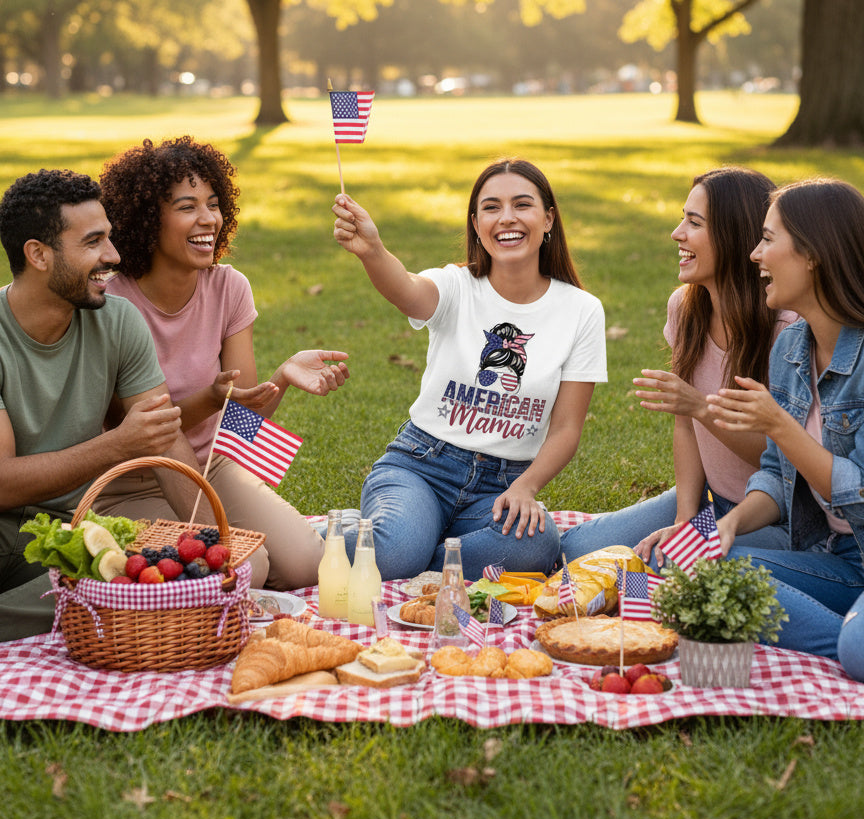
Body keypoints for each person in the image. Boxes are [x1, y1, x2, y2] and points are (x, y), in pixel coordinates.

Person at [331, 157, 607, 581]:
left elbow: (567, 428)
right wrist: (372, 250)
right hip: (422, 465)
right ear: (476, 224)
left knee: (537, 545)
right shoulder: (456, 286)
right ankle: (353, 545)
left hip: (501, 486)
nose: (507, 218)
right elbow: (407, 291)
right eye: (491, 207)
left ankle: (421, 553)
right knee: (395, 550)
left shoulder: (582, 311)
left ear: (548, 218)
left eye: (522, 205)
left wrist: (526, 487)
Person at [99, 136, 350, 591]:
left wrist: (283, 377)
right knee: (247, 568)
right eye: (187, 206)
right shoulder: (112, 302)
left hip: (210, 463)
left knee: (306, 563)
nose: (208, 219)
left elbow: (240, 420)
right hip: (132, 481)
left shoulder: (229, 288)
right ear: (146, 219)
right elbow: (132, 427)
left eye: (214, 204)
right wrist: (209, 399)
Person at [558, 167, 794, 565]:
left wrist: (700, 406)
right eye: (683, 218)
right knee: (575, 551)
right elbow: (686, 425)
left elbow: (786, 461)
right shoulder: (685, 308)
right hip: (709, 502)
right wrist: (686, 519)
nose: (677, 233)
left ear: (734, 236)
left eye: (694, 222)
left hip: (778, 517)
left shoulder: (787, 329)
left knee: (659, 566)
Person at [0, 169, 199, 641]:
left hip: (70, 535)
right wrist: (115, 446)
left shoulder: (118, 320)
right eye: (94, 242)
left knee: (139, 587)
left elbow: (163, 437)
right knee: (118, 603)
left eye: (109, 237)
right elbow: (3, 485)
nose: (113, 256)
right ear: (38, 255)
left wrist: (210, 545)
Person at [706, 178, 864, 659]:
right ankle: (847, 625)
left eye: (768, 239)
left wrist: (780, 426)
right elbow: (777, 474)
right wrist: (731, 524)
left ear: (813, 254)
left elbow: (858, 491)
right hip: (840, 559)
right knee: (700, 566)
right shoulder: (791, 349)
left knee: (857, 653)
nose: (755, 254)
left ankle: (848, 637)